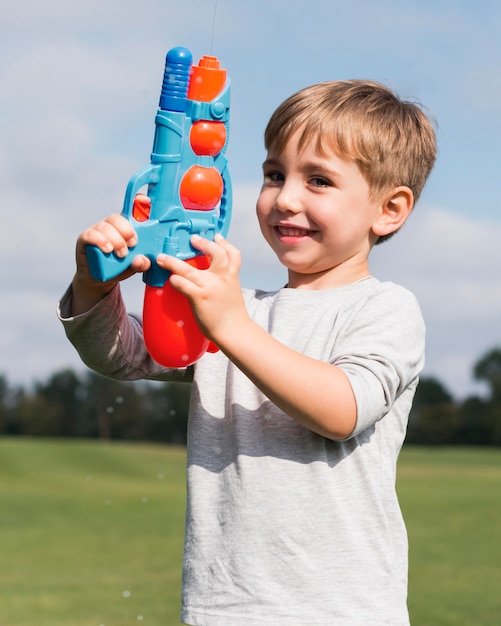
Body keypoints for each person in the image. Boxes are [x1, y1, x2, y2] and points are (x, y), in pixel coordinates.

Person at [58, 79, 437, 625]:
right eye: (274, 174)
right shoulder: (240, 309)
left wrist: (231, 325)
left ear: (390, 210)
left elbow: (342, 410)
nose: (285, 198)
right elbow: (125, 355)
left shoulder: (385, 309)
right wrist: (94, 285)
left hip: (342, 610)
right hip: (224, 607)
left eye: (319, 180)